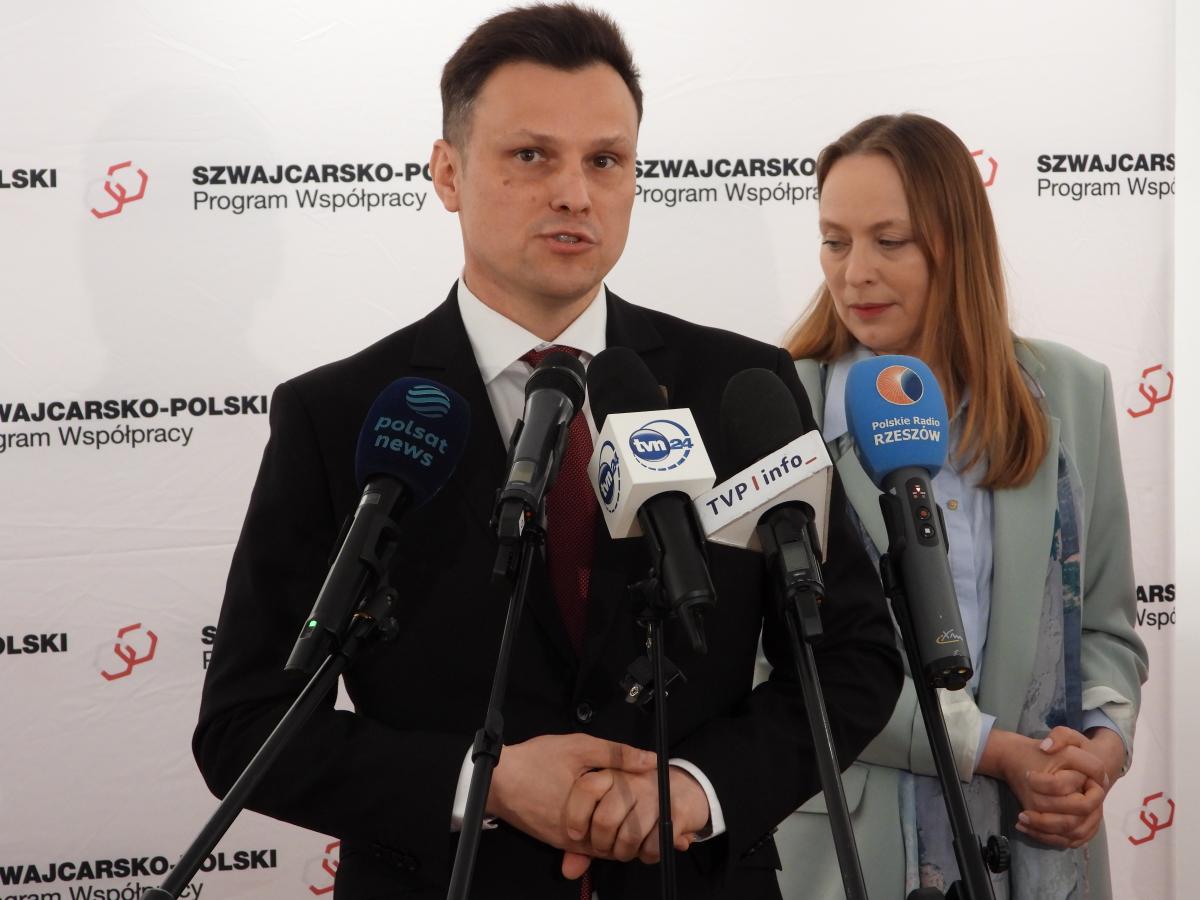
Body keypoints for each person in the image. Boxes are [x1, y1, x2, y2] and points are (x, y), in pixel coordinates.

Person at [193, 7, 902, 899]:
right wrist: (479, 782)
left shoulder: (740, 386)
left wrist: (697, 789)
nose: (574, 193)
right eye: (531, 155)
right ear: (447, 172)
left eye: (605, 160)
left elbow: (853, 655)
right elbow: (245, 724)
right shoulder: (337, 415)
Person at [775, 113, 1149, 899]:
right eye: (834, 242)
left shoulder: (1073, 391)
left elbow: (1105, 627)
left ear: (958, 244)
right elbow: (784, 661)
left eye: (890, 241)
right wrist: (996, 751)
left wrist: (1099, 752)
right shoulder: (777, 404)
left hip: (1038, 852)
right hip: (849, 860)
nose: (854, 274)